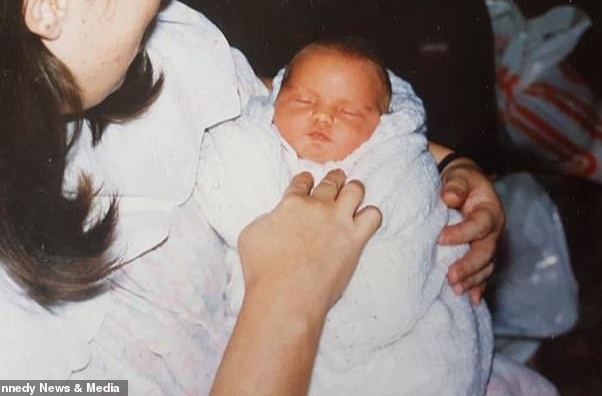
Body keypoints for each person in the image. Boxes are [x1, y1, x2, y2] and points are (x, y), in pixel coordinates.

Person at [0, 0, 503, 393]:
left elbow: (284, 108)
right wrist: (290, 295)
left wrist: (447, 166)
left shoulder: (167, 44)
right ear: (52, 2)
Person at [196, 38, 493, 395]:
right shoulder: (258, 141)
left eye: (349, 112)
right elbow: (229, 186)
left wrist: (454, 163)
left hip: (384, 338)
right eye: (303, 101)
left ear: (383, 127)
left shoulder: (392, 166)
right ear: (275, 103)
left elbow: (399, 272)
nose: (322, 116)